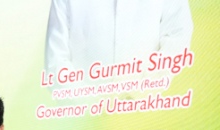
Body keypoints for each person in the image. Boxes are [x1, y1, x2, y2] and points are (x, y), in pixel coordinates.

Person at [44, 0, 192, 75]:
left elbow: (178, 35)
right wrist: (88, 100)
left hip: (149, 108)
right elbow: (55, 60)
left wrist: (142, 89)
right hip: (82, 114)